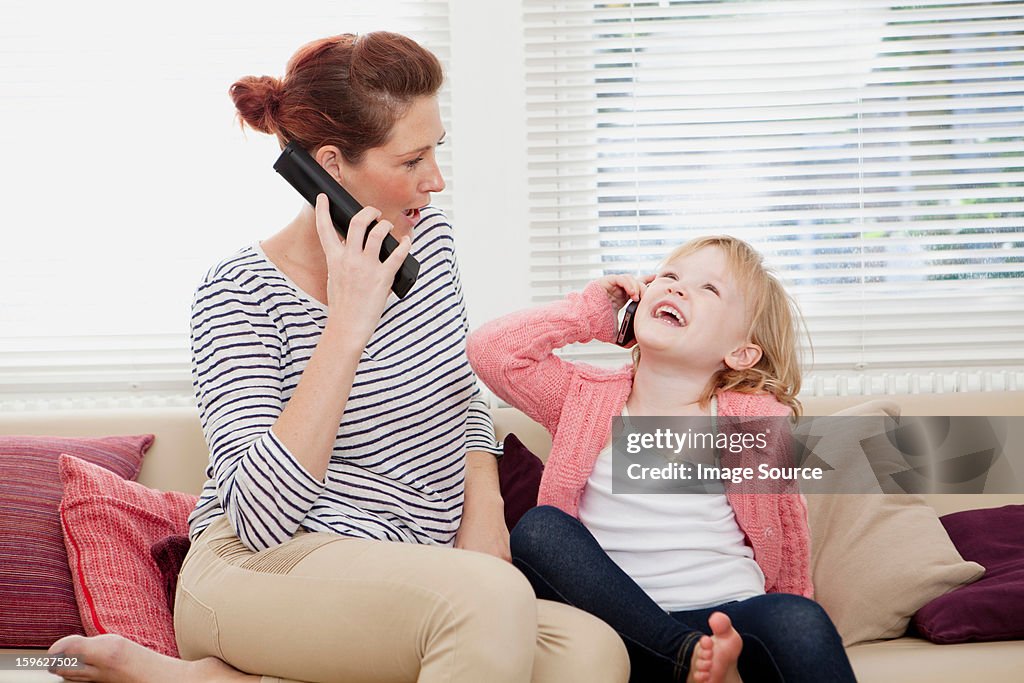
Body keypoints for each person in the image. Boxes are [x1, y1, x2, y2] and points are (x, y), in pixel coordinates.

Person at [47, 32, 629, 683]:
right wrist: (347, 324)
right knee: (487, 603)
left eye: (437, 148)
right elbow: (262, 516)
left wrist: (485, 516)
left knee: (593, 652)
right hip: (255, 570)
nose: (435, 180)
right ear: (330, 165)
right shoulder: (236, 294)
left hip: (411, 572)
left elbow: (459, 394)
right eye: (412, 159)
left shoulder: (426, 242)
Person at [466, 236, 857, 683]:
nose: (677, 289)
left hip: (726, 619)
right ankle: (681, 658)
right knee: (539, 530)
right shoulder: (581, 398)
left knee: (798, 618)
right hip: (620, 625)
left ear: (741, 352)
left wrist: (792, 610)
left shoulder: (754, 423)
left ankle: (699, 660)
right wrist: (594, 311)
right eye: (668, 277)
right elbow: (491, 350)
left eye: (709, 289)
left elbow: (789, 538)